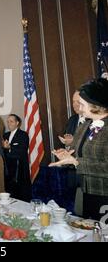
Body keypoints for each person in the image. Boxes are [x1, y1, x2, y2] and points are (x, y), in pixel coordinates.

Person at [50, 78, 108, 220]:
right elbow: (79, 153)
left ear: (95, 104)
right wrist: (67, 156)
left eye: (81, 104)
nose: (78, 108)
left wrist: (76, 162)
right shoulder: (85, 125)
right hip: (86, 191)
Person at [2, 114, 31, 202]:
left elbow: (22, 151)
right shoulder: (5, 135)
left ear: (17, 123)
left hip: (19, 172)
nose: (9, 124)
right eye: (8, 122)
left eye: (11, 121)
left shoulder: (23, 135)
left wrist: (10, 148)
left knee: (20, 198)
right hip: (8, 172)